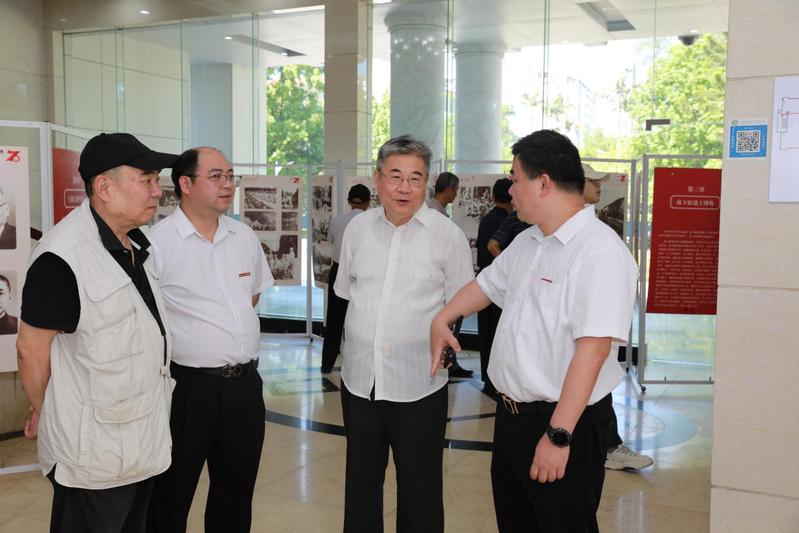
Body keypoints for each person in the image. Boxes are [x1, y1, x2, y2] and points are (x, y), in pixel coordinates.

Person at [430, 130, 638, 532]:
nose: (510, 189)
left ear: (543, 183)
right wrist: (443, 318)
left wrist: (558, 436)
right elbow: (485, 287)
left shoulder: (600, 253)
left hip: (563, 422)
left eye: (515, 179)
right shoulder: (529, 241)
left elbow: (593, 352)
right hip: (512, 418)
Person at [16, 132, 177, 532]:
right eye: (146, 179)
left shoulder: (134, 246)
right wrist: (48, 411)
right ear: (104, 187)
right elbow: (31, 351)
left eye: (157, 180)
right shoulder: (62, 259)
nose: (157, 191)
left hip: (139, 445)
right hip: (92, 458)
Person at [335, 134, 473, 533]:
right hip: (360, 382)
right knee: (360, 487)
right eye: (395, 176)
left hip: (419, 385)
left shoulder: (446, 235)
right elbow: (348, 293)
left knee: (420, 491)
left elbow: (463, 300)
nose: (405, 188)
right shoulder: (358, 230)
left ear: (427, 182)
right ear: (377, 179)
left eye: (416, 178)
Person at [146, 147, 273, 533]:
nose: (227, 184)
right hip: (187, 390)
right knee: (170, 495)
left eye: (230, 176)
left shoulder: (242, 235)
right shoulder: (157, 243)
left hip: (244, 388)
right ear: (185, 184)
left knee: (235, 495)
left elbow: (252, 295)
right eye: (216, 176)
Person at [581, 164, 654, 471]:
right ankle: (609, 447)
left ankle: (609, 446)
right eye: (593, 181)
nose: (599, 186)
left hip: (594, 335)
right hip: (581, 337)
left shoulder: (596, 231)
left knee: (597, 389)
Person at [321, 183, 370, 373]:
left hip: (338, 270)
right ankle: (361, 365)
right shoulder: (371, 223)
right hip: (364, 272)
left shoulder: (336, 221)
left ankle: (327, 364)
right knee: (363, 318)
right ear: (368, 202)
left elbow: (331, 241)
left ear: (349, 201)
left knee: (334, 319)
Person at [475, 178, 512, 394]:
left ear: (493, 196)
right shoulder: (508, 221)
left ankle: (487, 380)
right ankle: (494, 382)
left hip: (483, 282)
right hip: (499, 285)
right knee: (498, 335)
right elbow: (493, 247)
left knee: (486, 333)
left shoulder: (487, 218)